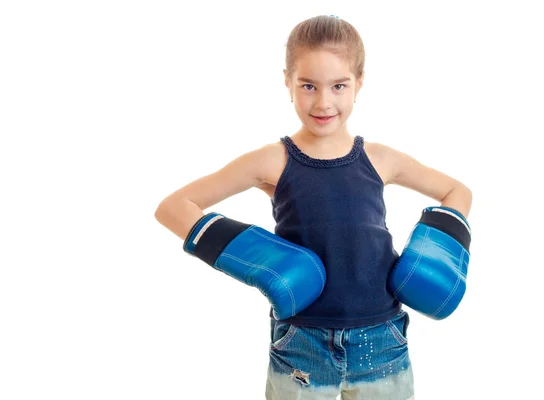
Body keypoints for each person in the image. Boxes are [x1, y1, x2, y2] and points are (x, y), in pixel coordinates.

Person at [154, 14, 472, 400]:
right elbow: (174, 207)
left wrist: (432, 257)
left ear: (359, 84)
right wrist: (261, 260)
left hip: (381, 335)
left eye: (339, 85)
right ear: (287, 82)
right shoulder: (272, 160)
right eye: (308, 86)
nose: (324, 102)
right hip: (302, 340)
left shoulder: (381, 158)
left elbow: (457, 191)